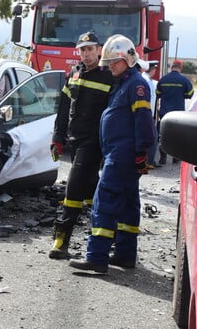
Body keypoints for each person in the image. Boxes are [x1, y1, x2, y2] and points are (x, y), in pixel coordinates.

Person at [69, 34, 155, 273]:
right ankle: (125, 255)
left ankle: (96, 256)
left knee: (103, 201)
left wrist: (141, 153)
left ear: (128, 59)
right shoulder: (123, 84)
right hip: (119, 154)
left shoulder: (136, 85)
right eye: (109, 62)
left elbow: (144, 122)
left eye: (115, 61)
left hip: (122, 156)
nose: (111, 66)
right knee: (128, 204)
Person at [49, 31, 114, 259]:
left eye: (90, 49)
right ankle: (108, 236)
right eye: (82, 50)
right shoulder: (74, 73)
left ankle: (61, 240)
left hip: (94, 141)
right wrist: (58, 137)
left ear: (99, 50)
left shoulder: (109, 76)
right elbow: (63, 107)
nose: (86, 54)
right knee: (92, 189)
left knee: (73, 186)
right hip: (74, 140)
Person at [155, 59, 194, 164]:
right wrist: (182, 95)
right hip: (178, 113)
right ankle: (176, 158)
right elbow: (190, 93)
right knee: (177, 135)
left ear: (172, 67)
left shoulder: (163, 79)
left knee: (163, 135)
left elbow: (158, 93)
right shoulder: (184, 80)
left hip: (165, 112)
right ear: (180, 68)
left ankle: (162, 158)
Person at [140, 60, 160, 169]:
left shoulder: (147, 80)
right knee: (153, 137)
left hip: (149, 113)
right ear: (151, 70)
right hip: (147, 114)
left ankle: (148, 161)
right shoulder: (146, 80)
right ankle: (148, 162)